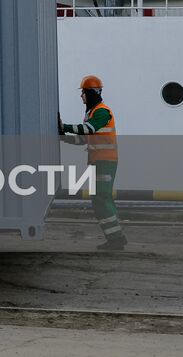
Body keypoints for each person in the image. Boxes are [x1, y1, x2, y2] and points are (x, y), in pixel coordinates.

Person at [60, 74, 127, 250]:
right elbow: (84, 139)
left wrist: (64, 127)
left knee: (101, 198)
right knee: (100, 198)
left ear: (91, 93)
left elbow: (88, 129)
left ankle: (116, 239)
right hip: (99, 161)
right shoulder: (91, 113)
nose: (81, 96)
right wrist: (63, 137)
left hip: (105, 161)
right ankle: (116, 237)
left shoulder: (102, 112)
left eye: (83, 92)